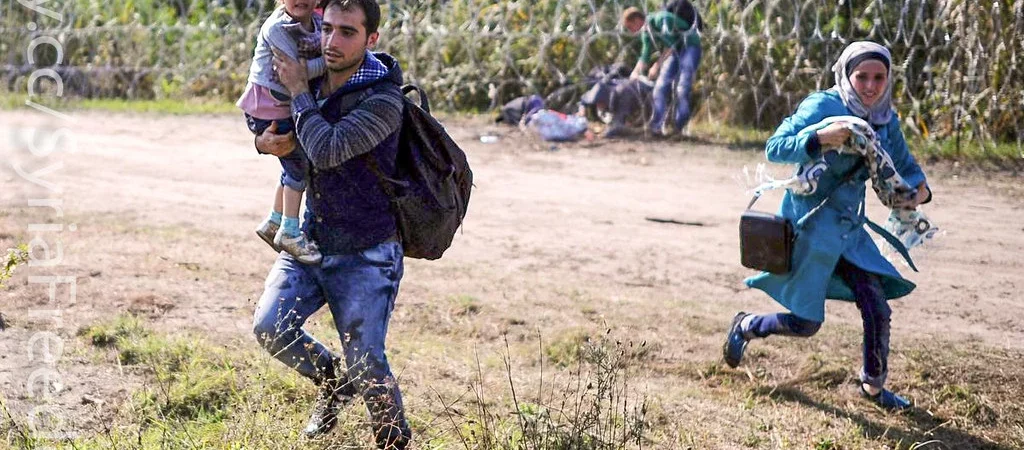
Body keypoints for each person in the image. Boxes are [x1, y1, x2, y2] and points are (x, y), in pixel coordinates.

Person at [722, 41, 932, 410]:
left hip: (851, 232)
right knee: (805, 324)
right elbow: (775, 146)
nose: (870, 86)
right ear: (845, 75)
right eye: (861, 76)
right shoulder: (823, 106)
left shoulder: (885, 118)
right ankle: (746, 325)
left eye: (878, 77)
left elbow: (905, 165)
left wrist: (921, 191)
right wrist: (818, 138)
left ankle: (873, 387)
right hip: (810, 229)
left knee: (877, 305)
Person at [251, 0, 411, 447]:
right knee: (270, 327)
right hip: (311, 241)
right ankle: (332, 385)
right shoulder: (317, 78)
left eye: (347, 33)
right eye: (329, 30)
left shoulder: (383, 99)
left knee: (367, 363)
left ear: (371, 39)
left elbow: (324, 148)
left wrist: (300, 91)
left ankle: (395, 442)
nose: (332, 41)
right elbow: (280, 129)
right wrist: (263, 141)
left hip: (366, 251)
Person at [238, 0, 326, 264]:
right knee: (298, 164)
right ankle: (289, 230)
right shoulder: (277, 28)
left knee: (292, 165)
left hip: (283, 106)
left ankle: (274, 221)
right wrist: (332, 61)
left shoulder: (318, 23)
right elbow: (295, 72)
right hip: (269, 109)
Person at [620, 4, 702, 137]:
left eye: (630, 27)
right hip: (675, 51)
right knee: (660, 88)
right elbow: (645, 56)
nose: (631, 31)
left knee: (682, 88)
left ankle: (679, 128)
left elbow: (672, 46)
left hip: (690, 46)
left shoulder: (661, 19)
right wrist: (634, 73)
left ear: (637, 20)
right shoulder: (646, 31)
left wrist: (657, 66)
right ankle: (656, 128)